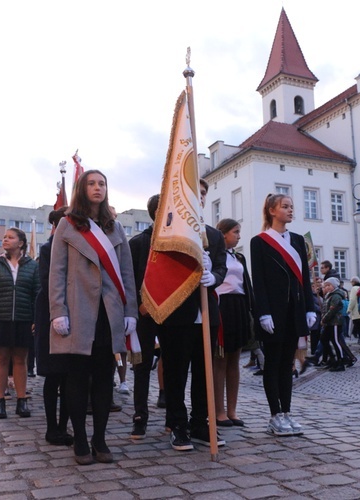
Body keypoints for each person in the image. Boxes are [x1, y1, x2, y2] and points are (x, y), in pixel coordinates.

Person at [49, 170, 137, 465]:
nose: (97, 188)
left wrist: (130, 312)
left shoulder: (115, 227)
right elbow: (57, 272)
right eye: (91, 183)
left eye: (102, 184)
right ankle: (81, 441)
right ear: (81, 189)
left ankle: (100, 439)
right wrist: (57, 312)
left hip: (109, 313)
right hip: (78, 311)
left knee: (104, 379)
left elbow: (127, 273)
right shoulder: (67, 225)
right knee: (76, 380)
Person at [157, 179, 227, 451]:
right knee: (176, 373)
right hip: (178, 313)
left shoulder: (214, 234)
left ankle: (201, 422)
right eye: (193, 192)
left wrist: (214, 276)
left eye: (203, 194)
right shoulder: (168, 231)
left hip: (206, 312)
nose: (198, 198)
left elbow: (221, 267)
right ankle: (177, 424)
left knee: (203, 373)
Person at [250, 193, 316, 436]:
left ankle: (287, 412)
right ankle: (274, 414)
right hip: (273, 314)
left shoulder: (298, 240)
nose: (290, 210)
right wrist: (263, 312)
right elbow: (259, 281)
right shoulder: (260, 241)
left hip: (295, 311)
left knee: (287, 364)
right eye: (285, 206)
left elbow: (305, 279)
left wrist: (310, 306)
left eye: (291, 206)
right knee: (273, 364)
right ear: (271, 211)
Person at [0, 227, 40, 419]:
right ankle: (0, 402)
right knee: (2, 359)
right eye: (4, 237)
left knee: (21, 360)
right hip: (1, 319)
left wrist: (36, 319)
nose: (5, 240)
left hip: (23, 319)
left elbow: (37, 294)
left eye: (10, 237)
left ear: (20, 243)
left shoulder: (32, 266)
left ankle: (22, 401)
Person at [34, 207, 73, 447]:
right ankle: (52, 427)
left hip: (74, 314)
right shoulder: (49, 248)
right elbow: (50, 283)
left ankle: (63, 426)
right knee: (53, 375)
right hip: (51, 313)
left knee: (69, 375)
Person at [128, 194, 163, 440]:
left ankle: (175, 416)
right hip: (145, 314)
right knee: (142, 367)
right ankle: (140, 416)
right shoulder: (139, 242)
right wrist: (139, 305)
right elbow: (129, 279)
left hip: (173, 314)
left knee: (174, 366)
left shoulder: (180, 240)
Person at [213, 218, 253, 427]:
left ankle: (232, 410)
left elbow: (246, 283)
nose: (238, 235)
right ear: (223, 233)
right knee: (220, 359)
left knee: (234, 359)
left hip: (238, 304)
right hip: (221, 305)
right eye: (235, 232)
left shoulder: (238, 257)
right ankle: (219, 411)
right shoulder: (213, 255)